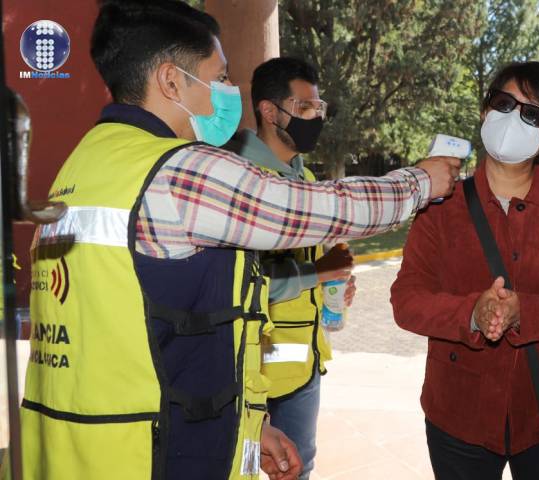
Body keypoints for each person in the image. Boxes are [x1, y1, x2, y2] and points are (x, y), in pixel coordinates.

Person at [22, 2, 459, 480]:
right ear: (171, 81)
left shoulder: (84, 165)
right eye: (220, 77)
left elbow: (142, 329)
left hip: (79, 448)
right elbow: (314, 210)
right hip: (152, 456)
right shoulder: (176, 171)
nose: (230, 92)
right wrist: (419, 182)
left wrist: (252, 426)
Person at [390, 61, 539, 480]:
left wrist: (526, 312)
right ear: (485, 111)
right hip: (458, 414)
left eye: (532, 113)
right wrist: (470, 315)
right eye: (504, 103)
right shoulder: (441, 204)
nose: (513, 118)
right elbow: (407, 301)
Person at [223, 57, 356, 480]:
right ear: (269, 111)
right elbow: (241, 281)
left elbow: (309, 265)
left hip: (303, 368)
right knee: (241, 469)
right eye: (304, 107)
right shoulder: (241, 178)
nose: (315, 117)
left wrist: (331, 284)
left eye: (319, 107)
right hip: (249, 369)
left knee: (298, 469)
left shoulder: (307, 181)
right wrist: (318, 274)